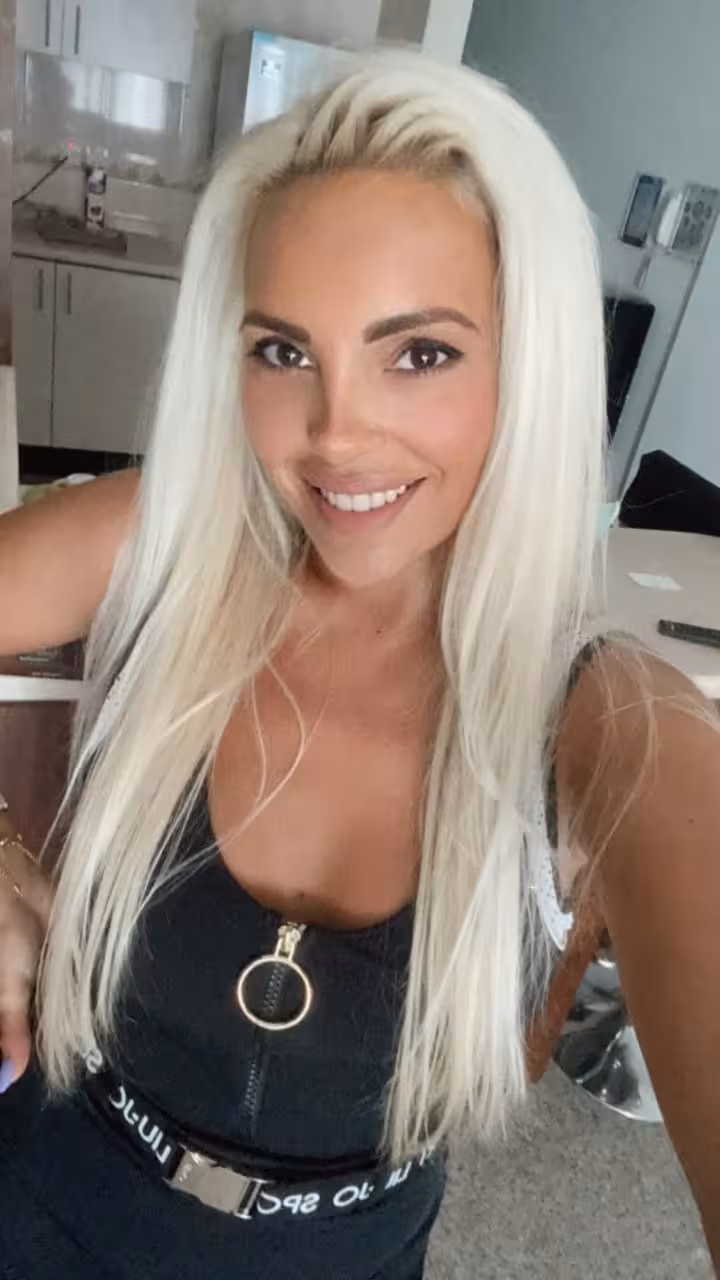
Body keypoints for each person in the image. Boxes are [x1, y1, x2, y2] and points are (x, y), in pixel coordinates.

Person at [0, 51, 718, 1279]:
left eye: (420, 353)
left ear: (527, 364)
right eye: (284, 352)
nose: (337, 433)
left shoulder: (606, 716)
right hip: (51, 1197)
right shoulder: (163, 544)